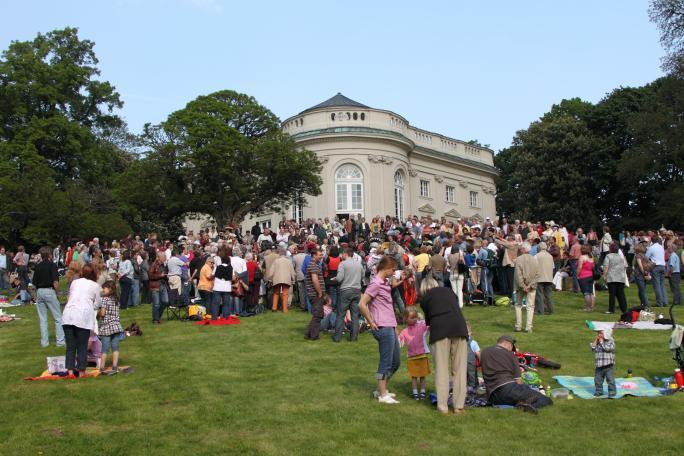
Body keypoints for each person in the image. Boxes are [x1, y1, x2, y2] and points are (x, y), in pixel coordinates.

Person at [419, 273, 468, 414]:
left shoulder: (425, 300)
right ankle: (458, 406)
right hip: (459, 327)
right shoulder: (449, 291)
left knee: (442, 369)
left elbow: (428, 321)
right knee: (459, 369)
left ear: (423, 289)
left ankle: (443, 407)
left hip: (439, 331)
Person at [359, 255, 403, 404]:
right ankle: (382, 394)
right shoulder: (375, 284)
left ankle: (381, 389)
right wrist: (370, 322)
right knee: (386, 361)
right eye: (393, 270)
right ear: (387, 268)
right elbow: (362, 304)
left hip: (390, 325)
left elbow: (388, 307)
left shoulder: (384, 283)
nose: (394, 273)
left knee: (396, 362)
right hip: (382, 326)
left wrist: (395, 326)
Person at [481, 335, 553, 413]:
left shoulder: (485, 351)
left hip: (492, 397)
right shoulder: (511, 355)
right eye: (512, 348)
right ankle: (525, 408)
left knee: (523, 394)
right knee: (545, 400)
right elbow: (518, 381)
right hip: (508, 389)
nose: (512, 350)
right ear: (508, 344)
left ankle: (522, 403)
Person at [61, 264, 101, 378]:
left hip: (68, 314)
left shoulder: (75, 282)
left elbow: (70, 296)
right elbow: (98, 303)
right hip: (83, 316)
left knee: (70, 346)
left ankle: (70, 371)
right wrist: (90, 305)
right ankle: (82, 372)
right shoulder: (95, 286)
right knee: (82, 345)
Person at [32, 246, 65, 347]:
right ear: (50, 255)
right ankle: (60, 341)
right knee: (58, 318)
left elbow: (34, 283)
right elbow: (55, 282)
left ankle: (44, 343)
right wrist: (58, 293)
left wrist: (35, 295)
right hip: (49, 290)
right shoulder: (52, 265)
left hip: (39, 292)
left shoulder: (37, 266)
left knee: (43, 319)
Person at [398, 306, 430, 401]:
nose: (414, 319)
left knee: (423, 375)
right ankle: (415, 392)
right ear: (405, 318)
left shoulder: (421, 326)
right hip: (412, 357)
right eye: (412, 317)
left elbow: (428, 325)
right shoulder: (404, 331)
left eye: (415, 317)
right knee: (414, 376)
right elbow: (399, 340)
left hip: (422, 355)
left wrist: (423, 319)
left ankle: (423, 391)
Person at [332, 247, 363, 342]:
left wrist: (335, 279)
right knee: (355, 315)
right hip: (357, 290)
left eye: (342, 254)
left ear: (345, 254)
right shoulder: (359, 264)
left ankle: (337, 337)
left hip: (345, 290)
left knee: (341, 315)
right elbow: (362, 276)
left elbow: (340, 278)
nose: (341, 255)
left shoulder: (343, 264)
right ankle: (354, 337)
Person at [98, 280, 124, 374]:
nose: (102, 290)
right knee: (115, 347)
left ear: (109, 289)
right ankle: (114, 366)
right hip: (116, 326)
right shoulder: (116, 300)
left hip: (106, 327)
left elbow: (103, 313)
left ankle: (102, 367)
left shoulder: (104, 299)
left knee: (104, 348)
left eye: (104, 288)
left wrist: (99, 313)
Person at [513, 242, 539, 333]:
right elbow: (537, 275)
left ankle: (518, 326)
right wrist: (529, 285)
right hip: (530, 286)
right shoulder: (535, 259)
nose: (520, 249)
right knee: (530, 306)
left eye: (521, 248)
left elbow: (518, 275)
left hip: (521, 287)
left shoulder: (518, 259)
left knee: (518, 305)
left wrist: (524, 286)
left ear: (524, 249)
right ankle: (528, 327)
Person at [304, 248, 325, 340]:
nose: (321, 256)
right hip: (315, 294)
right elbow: (315, 280)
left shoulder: (314, 265)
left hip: (314, 293)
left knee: (317, 314)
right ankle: (314, 336)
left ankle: (309, 334)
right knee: (318, 314)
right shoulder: (313, 266)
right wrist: (320, 292)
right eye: (320, 255)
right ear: (314, 255)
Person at [603, 243, 628, 314]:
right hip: (621, 277)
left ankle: (611, 309)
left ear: (610, 249)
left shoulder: (608, 256)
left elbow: (606, 266)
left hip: (611, 277)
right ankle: (624, 309)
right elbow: (625, 266)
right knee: (621, 294)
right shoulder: (621, 257)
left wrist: (604, 275)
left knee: (612, 294)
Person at [591, 328, 616, 398]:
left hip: (608, 365)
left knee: (610, 379)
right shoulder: (598, 342)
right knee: (597, 380)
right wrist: (596, 340)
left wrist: (601, 342)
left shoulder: (610, 341)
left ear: (606, 334)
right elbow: (592, 348)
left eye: (601, 333)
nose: (599, 335)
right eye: (598, 333)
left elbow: (608, 349)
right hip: (599, 365)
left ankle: (612, 392)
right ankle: (599, 391)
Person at [270, 245, 295, 312]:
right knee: (285, 294)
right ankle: (285, 309)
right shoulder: (289, 261)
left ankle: (274, 308)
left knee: (276, 293)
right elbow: (292, 271)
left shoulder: (276, 261)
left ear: (279, 254)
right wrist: (293, 279)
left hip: (277, 279)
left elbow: (272, 271)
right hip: (286, 279)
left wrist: (270, 279)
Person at [646, 237, 668, 307]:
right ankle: (665, 302)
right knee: (662, 285)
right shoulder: (661, 247)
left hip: (656, 266)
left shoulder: (651, 248)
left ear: (652, 241)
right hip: (663, 266)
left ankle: (659, 303)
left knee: (657, 286)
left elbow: (646, 257)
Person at [534, 242, 554, 315]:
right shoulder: (550, 256)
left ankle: (540, 311)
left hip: (539, 278)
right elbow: (553, 267)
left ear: (539, 248)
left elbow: (534, 267)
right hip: (549, 278)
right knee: (548, 295)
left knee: (539, 295)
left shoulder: (536, 256)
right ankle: (551, 310)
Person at [577, 244, 596, 311]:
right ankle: (591, 307)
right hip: (591, 276)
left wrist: (577, 275)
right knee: (591, 292)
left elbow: (579, 267)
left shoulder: (582, 257)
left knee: (586, 293)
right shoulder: (591, 257)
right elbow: (593, 267)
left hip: (583, 276)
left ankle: (587, 307)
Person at [466, 322, 481, 393]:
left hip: (470, 363)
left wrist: (480, 361)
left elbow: (477, 353)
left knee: (472, 375)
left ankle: (472, 387)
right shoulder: (460, 342)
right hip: (464, 363)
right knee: (466, 375)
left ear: (470, 333)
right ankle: (468, 387)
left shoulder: (473, 342)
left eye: (467, 332)